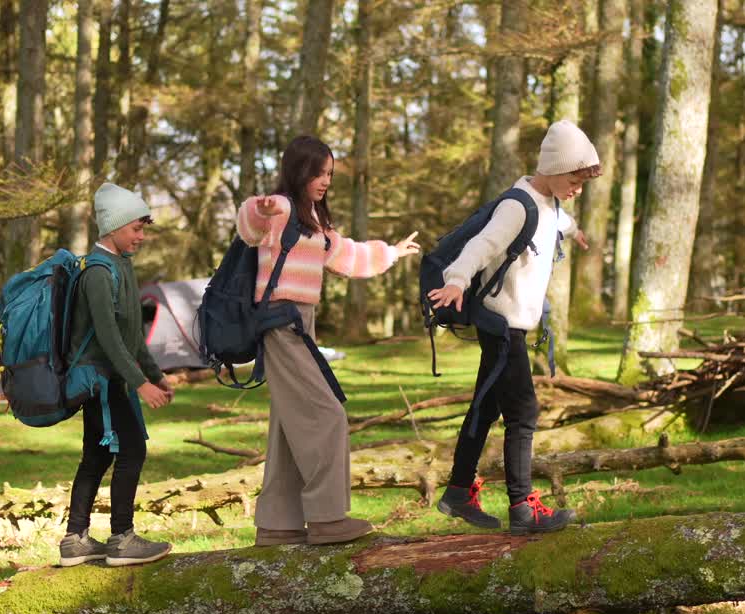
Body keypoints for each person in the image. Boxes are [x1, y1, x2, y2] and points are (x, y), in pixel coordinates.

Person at [235, 135, 421, 546]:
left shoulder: (313, 223)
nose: (325, 181)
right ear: (299, 170)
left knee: (289, 424)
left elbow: (349, 256)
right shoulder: (281, 208)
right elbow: (250, 224)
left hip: (299, 324)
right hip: (282, 325)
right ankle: (327, 519)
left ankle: (277, 525)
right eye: (319, 173)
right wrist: (258, 207)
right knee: (327, 415)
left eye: (330, 174)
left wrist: (392, 252)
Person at [426, 120, 601, 535]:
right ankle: (523, 508)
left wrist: (576, 232)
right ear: (555, 168)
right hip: (501, 327)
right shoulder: (516, 205)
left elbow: (560, 223)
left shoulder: (551, 205)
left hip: (513, 327)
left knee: (486, 407)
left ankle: (457, 492)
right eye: (574, 180)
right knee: (524, 413)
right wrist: (455, 280)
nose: (577, 189)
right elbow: (481, 245)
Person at [59, 183, 175, 567]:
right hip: (103, 382)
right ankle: (122, 539)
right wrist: (139, 384)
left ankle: (75, 540)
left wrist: (155, 375)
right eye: (136, 229)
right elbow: (108, 339)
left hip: (116, 379)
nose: (141, 236)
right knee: (131, 450)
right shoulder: (96, 272)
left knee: (96, 456)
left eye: (143, 229)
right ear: (113, 226)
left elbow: (132, 334)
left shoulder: (122, 266)